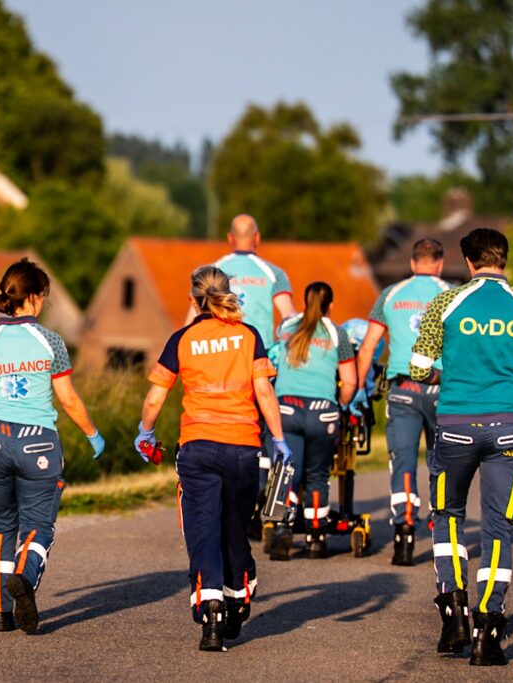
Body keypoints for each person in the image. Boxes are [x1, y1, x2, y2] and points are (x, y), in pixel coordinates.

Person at [409, 228, 513, 666]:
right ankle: (488, 631)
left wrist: (449, 375)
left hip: (456, 424)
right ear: (503, 259)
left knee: (447, 516)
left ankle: (453, 615)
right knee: (498, 529)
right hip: (510, 427)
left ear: (469, 261)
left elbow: (418, 368)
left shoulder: (446, 303)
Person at [0, 257, 104, 634]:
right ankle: (25, 577)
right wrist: (92, 433)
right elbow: (68, 399)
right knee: (38, 525)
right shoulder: (51, 341)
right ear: (32, 296)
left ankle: (0, 614)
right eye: (43, 295)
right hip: (37, 443)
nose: (44, 302)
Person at [136, 265, 290, 652]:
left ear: (193, 300)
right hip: (243, 447)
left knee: (204, 530)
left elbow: (156, 397)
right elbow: (264, 392)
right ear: (228, 293)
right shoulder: (248, 336)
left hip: (198, 447)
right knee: (235, 528)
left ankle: (212, 614)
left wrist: (145, 431)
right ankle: (238, 597)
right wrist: (278, 439)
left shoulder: (182, 338)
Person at [185, 214, 296, 532]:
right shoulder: (274, 273)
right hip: (258, 361)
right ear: (257, 238)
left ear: (230, 238)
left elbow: (189, 323)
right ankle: (258, 503)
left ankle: (220, 503)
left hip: (215, 361)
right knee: (261, 436)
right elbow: (289, 321)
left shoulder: (213, 271)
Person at [353, 237, 449, 566]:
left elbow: (368, 347)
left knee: (403, 461)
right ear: (439, 263)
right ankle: (441, 528)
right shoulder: (452, 294)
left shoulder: (390, 294)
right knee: (443, 461)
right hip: (443, 389)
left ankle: (404, 534)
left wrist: (358, 391)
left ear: (412, 263)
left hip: (403, 389)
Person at [268, 282, 357, 561]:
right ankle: (316, 537)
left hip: (287, 408)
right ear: (331, 305)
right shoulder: (337, 333)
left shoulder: (286, 327)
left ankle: (283, 526)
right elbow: (350, 381)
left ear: (305, 302)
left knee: (287, 471)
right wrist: (339, 404)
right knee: (317, 475)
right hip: (322, 413)